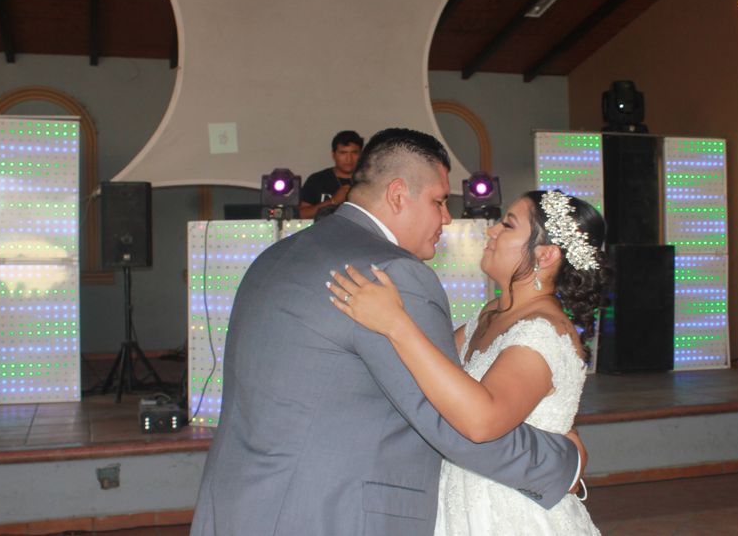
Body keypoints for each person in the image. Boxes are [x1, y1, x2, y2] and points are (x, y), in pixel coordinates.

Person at [190, 129, 585, 536]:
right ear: (398, 195)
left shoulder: (276, 256)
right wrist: (562, 461)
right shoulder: (391, 274)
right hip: (330, 513)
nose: (448, 217)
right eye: (437, 202)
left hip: (239, 502)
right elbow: (450, 421)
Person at [327, 189, 608, 535]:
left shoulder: (544, 333)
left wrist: (396, 323)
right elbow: (433, 364)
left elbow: (481, 422)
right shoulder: (492, 312)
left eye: (507, 225)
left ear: (545, 254)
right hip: (457, 498)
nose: (491, 231)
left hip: (508, 512)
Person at [299, 130, 363, 219]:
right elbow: (302, 214)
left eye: (354, 153)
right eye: (343, 153)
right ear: (334, 155)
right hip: (323, 232)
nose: (349, 158)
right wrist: (333, 201)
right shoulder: (317, 180)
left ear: (361, 155)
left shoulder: (368, 180)